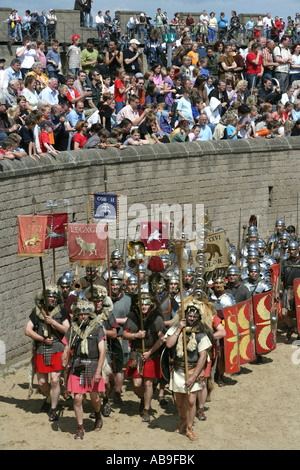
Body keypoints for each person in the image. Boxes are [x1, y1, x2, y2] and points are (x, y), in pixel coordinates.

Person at [165, 296, 213, 440]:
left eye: (194, 315)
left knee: (191, 401)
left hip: (193, 371)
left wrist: (193, 377)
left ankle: (190, 428)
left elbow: (203, 357)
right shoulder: (176, 328)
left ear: (198, 317)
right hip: (178, 370)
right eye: (189, 315)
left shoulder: (201, 334)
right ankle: (183, 421)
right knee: (179, 402)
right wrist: (179, 328)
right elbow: (168, 344)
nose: (191, 317)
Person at [61, 299, 106, 439]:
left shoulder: (98, 328)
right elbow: (67, 346)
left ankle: (98, 414)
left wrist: (99, 371)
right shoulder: (73, 328)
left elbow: (102, 352)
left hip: (93, 365)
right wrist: (64, 356)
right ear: (77, 315)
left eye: (85, 314)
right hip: (78, 365)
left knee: (95, 398)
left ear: (90, 314)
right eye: (80, 314)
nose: (83, 317)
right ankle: (80, 427)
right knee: (78, 398)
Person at [25, 284, 70, 421]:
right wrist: (42, 339)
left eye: (54, 297)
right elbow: (28, 330)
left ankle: (53, 409)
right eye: (49, 296)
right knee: (42, 383)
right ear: (44, 297)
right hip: (41, 349)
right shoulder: (37, 311)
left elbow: (67, 330)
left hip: (57, 348)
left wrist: (53, 323)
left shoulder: (61, 311)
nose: (52, 299)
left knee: (55, 380)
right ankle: (50, 398)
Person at [123, 292, 165, 422]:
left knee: (148, 383)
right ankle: (143, 398)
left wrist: (151, 352)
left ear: (150, 305)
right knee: (136, 384)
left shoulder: (156, 318)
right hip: (136, 353)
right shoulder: (132, 317)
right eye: (142, 303)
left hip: (150, 355)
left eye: (147, 304)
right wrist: (136, 336)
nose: (144, 306)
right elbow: (124, 334)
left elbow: (162, 339)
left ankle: (146, 409)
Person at [276, 240, 300, 340]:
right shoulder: (285, 262)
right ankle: (290, 328)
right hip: (287, 288)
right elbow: (279, 277)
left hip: (299, 289)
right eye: (290, 250)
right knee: (284, 312)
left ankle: (299, 332)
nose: (292, 251)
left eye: (294, 249)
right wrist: (277, 291)